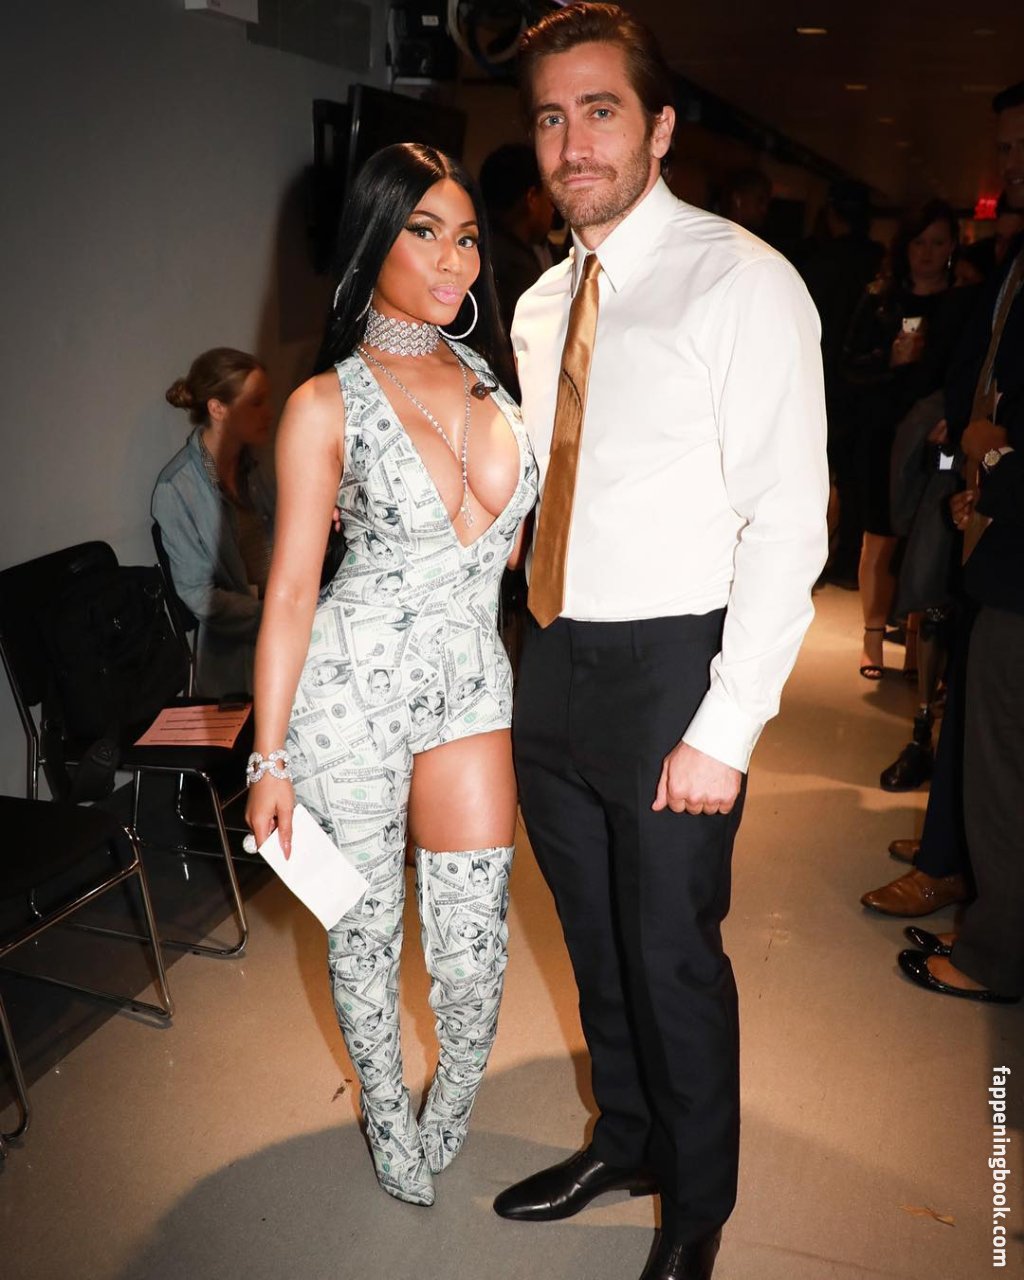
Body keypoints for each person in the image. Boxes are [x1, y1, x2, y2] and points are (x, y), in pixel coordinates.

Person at [492, 7, 828, 1279]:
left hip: (670, 666)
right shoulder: (542, 302)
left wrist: (725, 723)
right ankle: (626, 1138)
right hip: (553, 655)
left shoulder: (740, 281)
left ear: (661, 127)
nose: (571, 142)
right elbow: (548, 481)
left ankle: (696, 1209)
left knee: (672, 954)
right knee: (593, 934)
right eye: (550, 116)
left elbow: (787, 518)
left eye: (600, 110)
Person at [245, 142, 537, 1208]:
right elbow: (290, 590)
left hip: (471, 685)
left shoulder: (500, 378)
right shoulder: (322, 402)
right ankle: (382, 1104)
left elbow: (516, 548)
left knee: (472, 948)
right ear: (373, 239)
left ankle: (451, 1092)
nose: (455, 259)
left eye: (466, 236)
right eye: (425, 232)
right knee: (364, 934)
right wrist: (268, 758)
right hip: (348, 697)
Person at [893, 80, 1024, 1001]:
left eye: (1019, 147)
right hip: (999, 529)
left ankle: (993, 955)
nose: (1007, 166)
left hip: (1018, 553)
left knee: (1003, 762)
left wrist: (993, 458)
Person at [841, 200, 966, 679]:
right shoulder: (881, 298)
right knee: (879, 535)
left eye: (938, 242)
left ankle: (917, 644)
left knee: (925, 535)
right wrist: (888, 360)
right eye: (919, 242)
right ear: (904, 246)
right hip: (883, 428)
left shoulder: (963, 303)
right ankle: (873, 638)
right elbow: (849, 365)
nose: (928, 253)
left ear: (952, 246)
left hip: (936, 434)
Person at [154, 348, 275, 696]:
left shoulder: (256, 465)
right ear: (217, 409)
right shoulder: (176, 488)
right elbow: (197, 593)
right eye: (255, 403)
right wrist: (272, 615)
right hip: (238, 659)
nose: (268, 412)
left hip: (288, 627)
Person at [479, 142, 556, 335]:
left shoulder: (476, 245)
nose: (553, 209)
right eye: (549, 199)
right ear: (532, 198)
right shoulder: (518, 269)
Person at [717, 166, 772, 234]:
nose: (764, 209)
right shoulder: (716, 231)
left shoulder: (749, 237)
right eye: (760, 201)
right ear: (737, 198)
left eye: (767, 203)